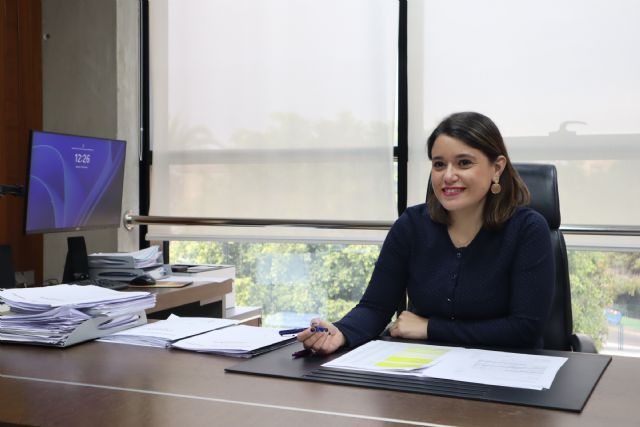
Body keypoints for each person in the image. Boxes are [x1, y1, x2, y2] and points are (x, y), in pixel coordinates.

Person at [298, 111, 554, 354]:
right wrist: (341, 332)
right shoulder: (411, 225)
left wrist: (430, 328)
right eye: (439, 164)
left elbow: (525, 329)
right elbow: (375, 306)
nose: (448, 176)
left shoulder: (528, 230)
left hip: (504, 372)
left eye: (464, 163)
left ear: (497, 168)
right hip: (423, 368)